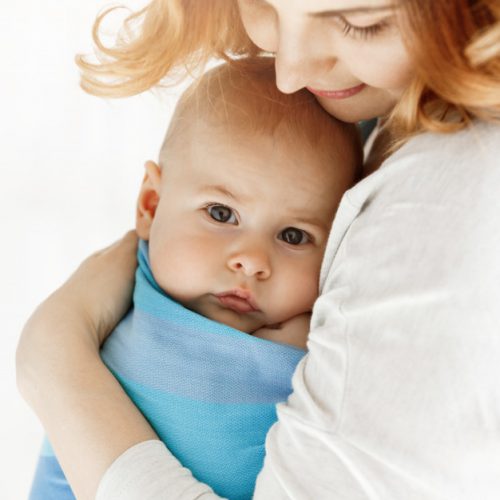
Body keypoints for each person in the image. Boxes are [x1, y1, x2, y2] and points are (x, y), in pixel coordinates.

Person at [16, 1, 500, 499]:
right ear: (150, 203)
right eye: (263, 3)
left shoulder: (455, 202)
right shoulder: (361, 115)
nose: (290, 71)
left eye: (361, 22)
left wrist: (55, 361)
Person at [27, 59, 361, 500]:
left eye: (293, 236)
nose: (251, 260)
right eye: (222, 214)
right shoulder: (114, 288)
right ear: (150, 205)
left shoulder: (326, 347)